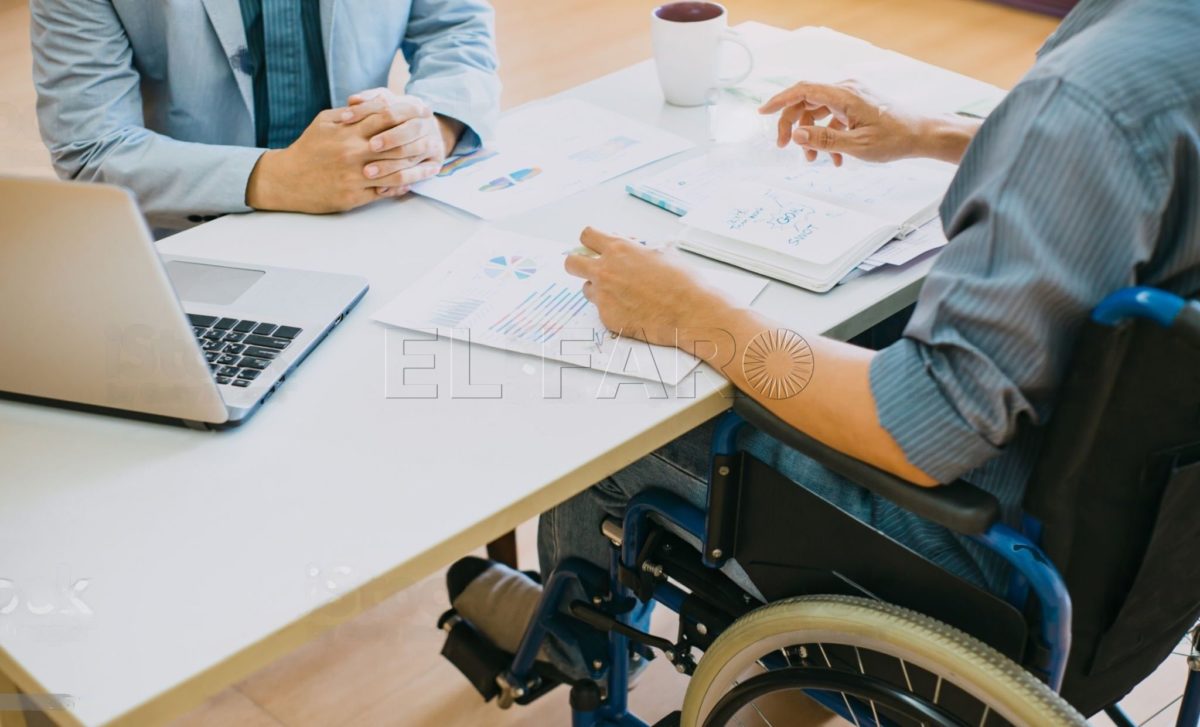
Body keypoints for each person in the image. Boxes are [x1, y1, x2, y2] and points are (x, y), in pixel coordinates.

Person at [445, 0, 1200, 681]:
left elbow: (922, 427)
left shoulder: (1087, 101)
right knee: (820, 327)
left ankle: (569, 645)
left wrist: (692, 312)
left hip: (982, 570)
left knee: (637, 391)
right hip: (1144, 564)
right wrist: (932, 135)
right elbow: (1133, 168)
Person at [30, 0, 500, 234]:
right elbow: (90, 148)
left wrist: (435, 127)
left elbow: (455, 26)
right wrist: (278, 178)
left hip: (378, 212)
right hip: (196, 236)